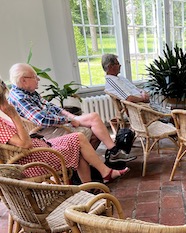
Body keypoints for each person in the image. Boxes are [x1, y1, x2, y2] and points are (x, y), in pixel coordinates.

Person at [0, 78, 129, 184]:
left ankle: (89, 188)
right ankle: (105, 173)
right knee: (78, 139)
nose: (7, 101)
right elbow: (25, 144)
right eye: (5, 98)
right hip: (34, 160)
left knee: (78, 144)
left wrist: (70, 118)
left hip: (38, 147)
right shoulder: (2, 122)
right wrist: (14, 116)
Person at [7, 63, 136, 164]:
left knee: (94, 118)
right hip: (46, 131)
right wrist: (67, 120)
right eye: (35, 77)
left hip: (56, 124)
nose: (38, 79)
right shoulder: (20, 98)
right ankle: (100, 157)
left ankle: (108, 154)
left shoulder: (29, 92)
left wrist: (71, 116)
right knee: (93, 130)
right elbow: (42, 120)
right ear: (24, 80)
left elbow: (51, 106)